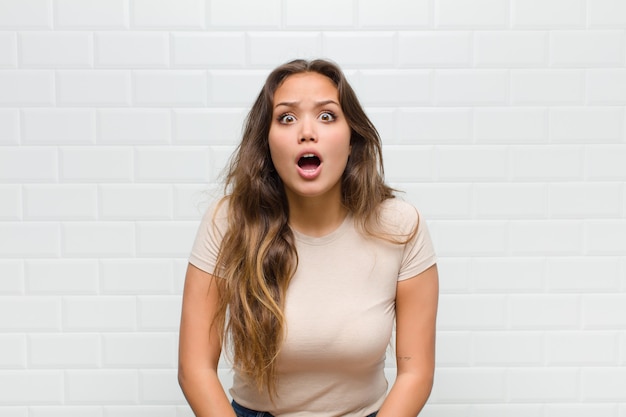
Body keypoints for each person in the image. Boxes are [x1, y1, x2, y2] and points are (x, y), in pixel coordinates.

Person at [178, 58, 439, 417]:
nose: (306, 132)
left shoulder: (400, 225)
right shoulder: (228, 221)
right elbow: (195, 370)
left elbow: (416, 372)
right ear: (267, 144)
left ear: (352, 140)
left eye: (327, 116)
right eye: (286, 117)